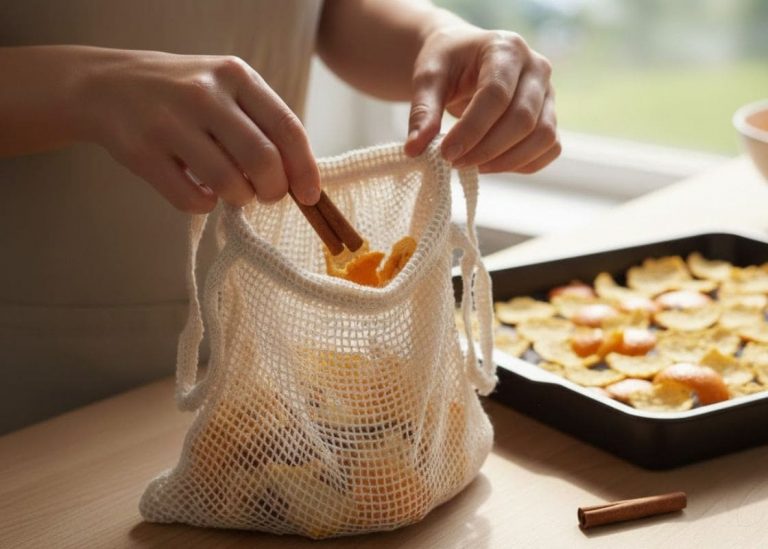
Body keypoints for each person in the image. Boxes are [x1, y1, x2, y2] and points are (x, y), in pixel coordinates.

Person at [0, 0, 559, 433]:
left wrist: (436, 36)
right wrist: (84, 87)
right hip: (33, 388)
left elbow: (326, 10)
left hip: (261, 357)